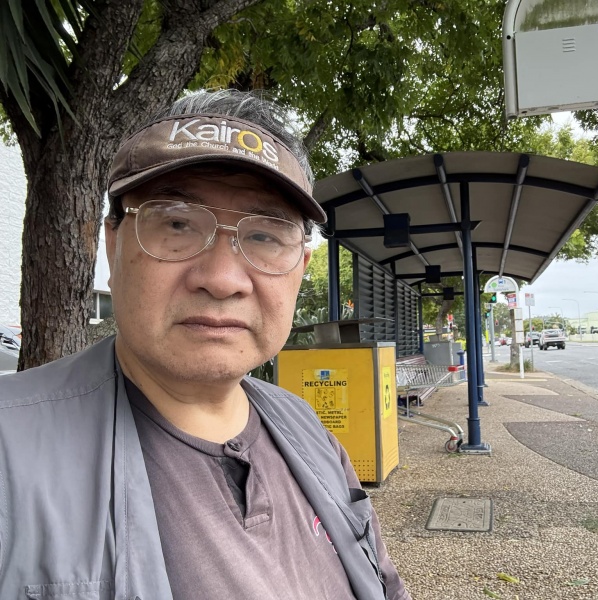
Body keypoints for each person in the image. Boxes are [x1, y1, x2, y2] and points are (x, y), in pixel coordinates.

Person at [0, 90, 410, 600]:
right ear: (113, 243)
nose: (221, 279)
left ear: (300, 269)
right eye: (176, 223)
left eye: (264, 236)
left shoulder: (309, 432)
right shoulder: (9, 453)